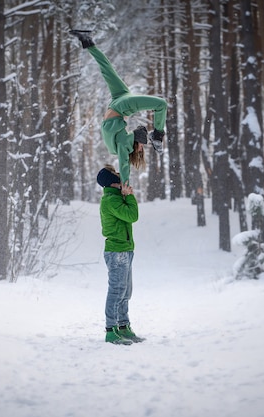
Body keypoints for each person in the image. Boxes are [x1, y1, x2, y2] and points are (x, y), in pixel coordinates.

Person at [71, 29, 167, 186]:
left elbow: (124, 165)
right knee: (107, 69)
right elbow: (135, 135)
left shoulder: (125, 147)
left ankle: (157, 135)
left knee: (161, 104)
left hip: (121, 106)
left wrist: (125, 185)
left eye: (141, 150)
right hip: (119, 101)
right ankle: (88, 42)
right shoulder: (124, 142)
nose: (143, 147)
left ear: (135, 152)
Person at [97, 164, 145, 345]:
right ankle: (111, 330)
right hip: (116, 251)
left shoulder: (116, 197)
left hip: (125, 249)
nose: (120, 177)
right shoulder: (111, 200)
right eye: (115, 175)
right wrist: (130, 196)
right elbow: (132, 216)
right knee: (117, 291)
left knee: (126, 291)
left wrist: (125, 195)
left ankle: (123, 326)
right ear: (112, 182)